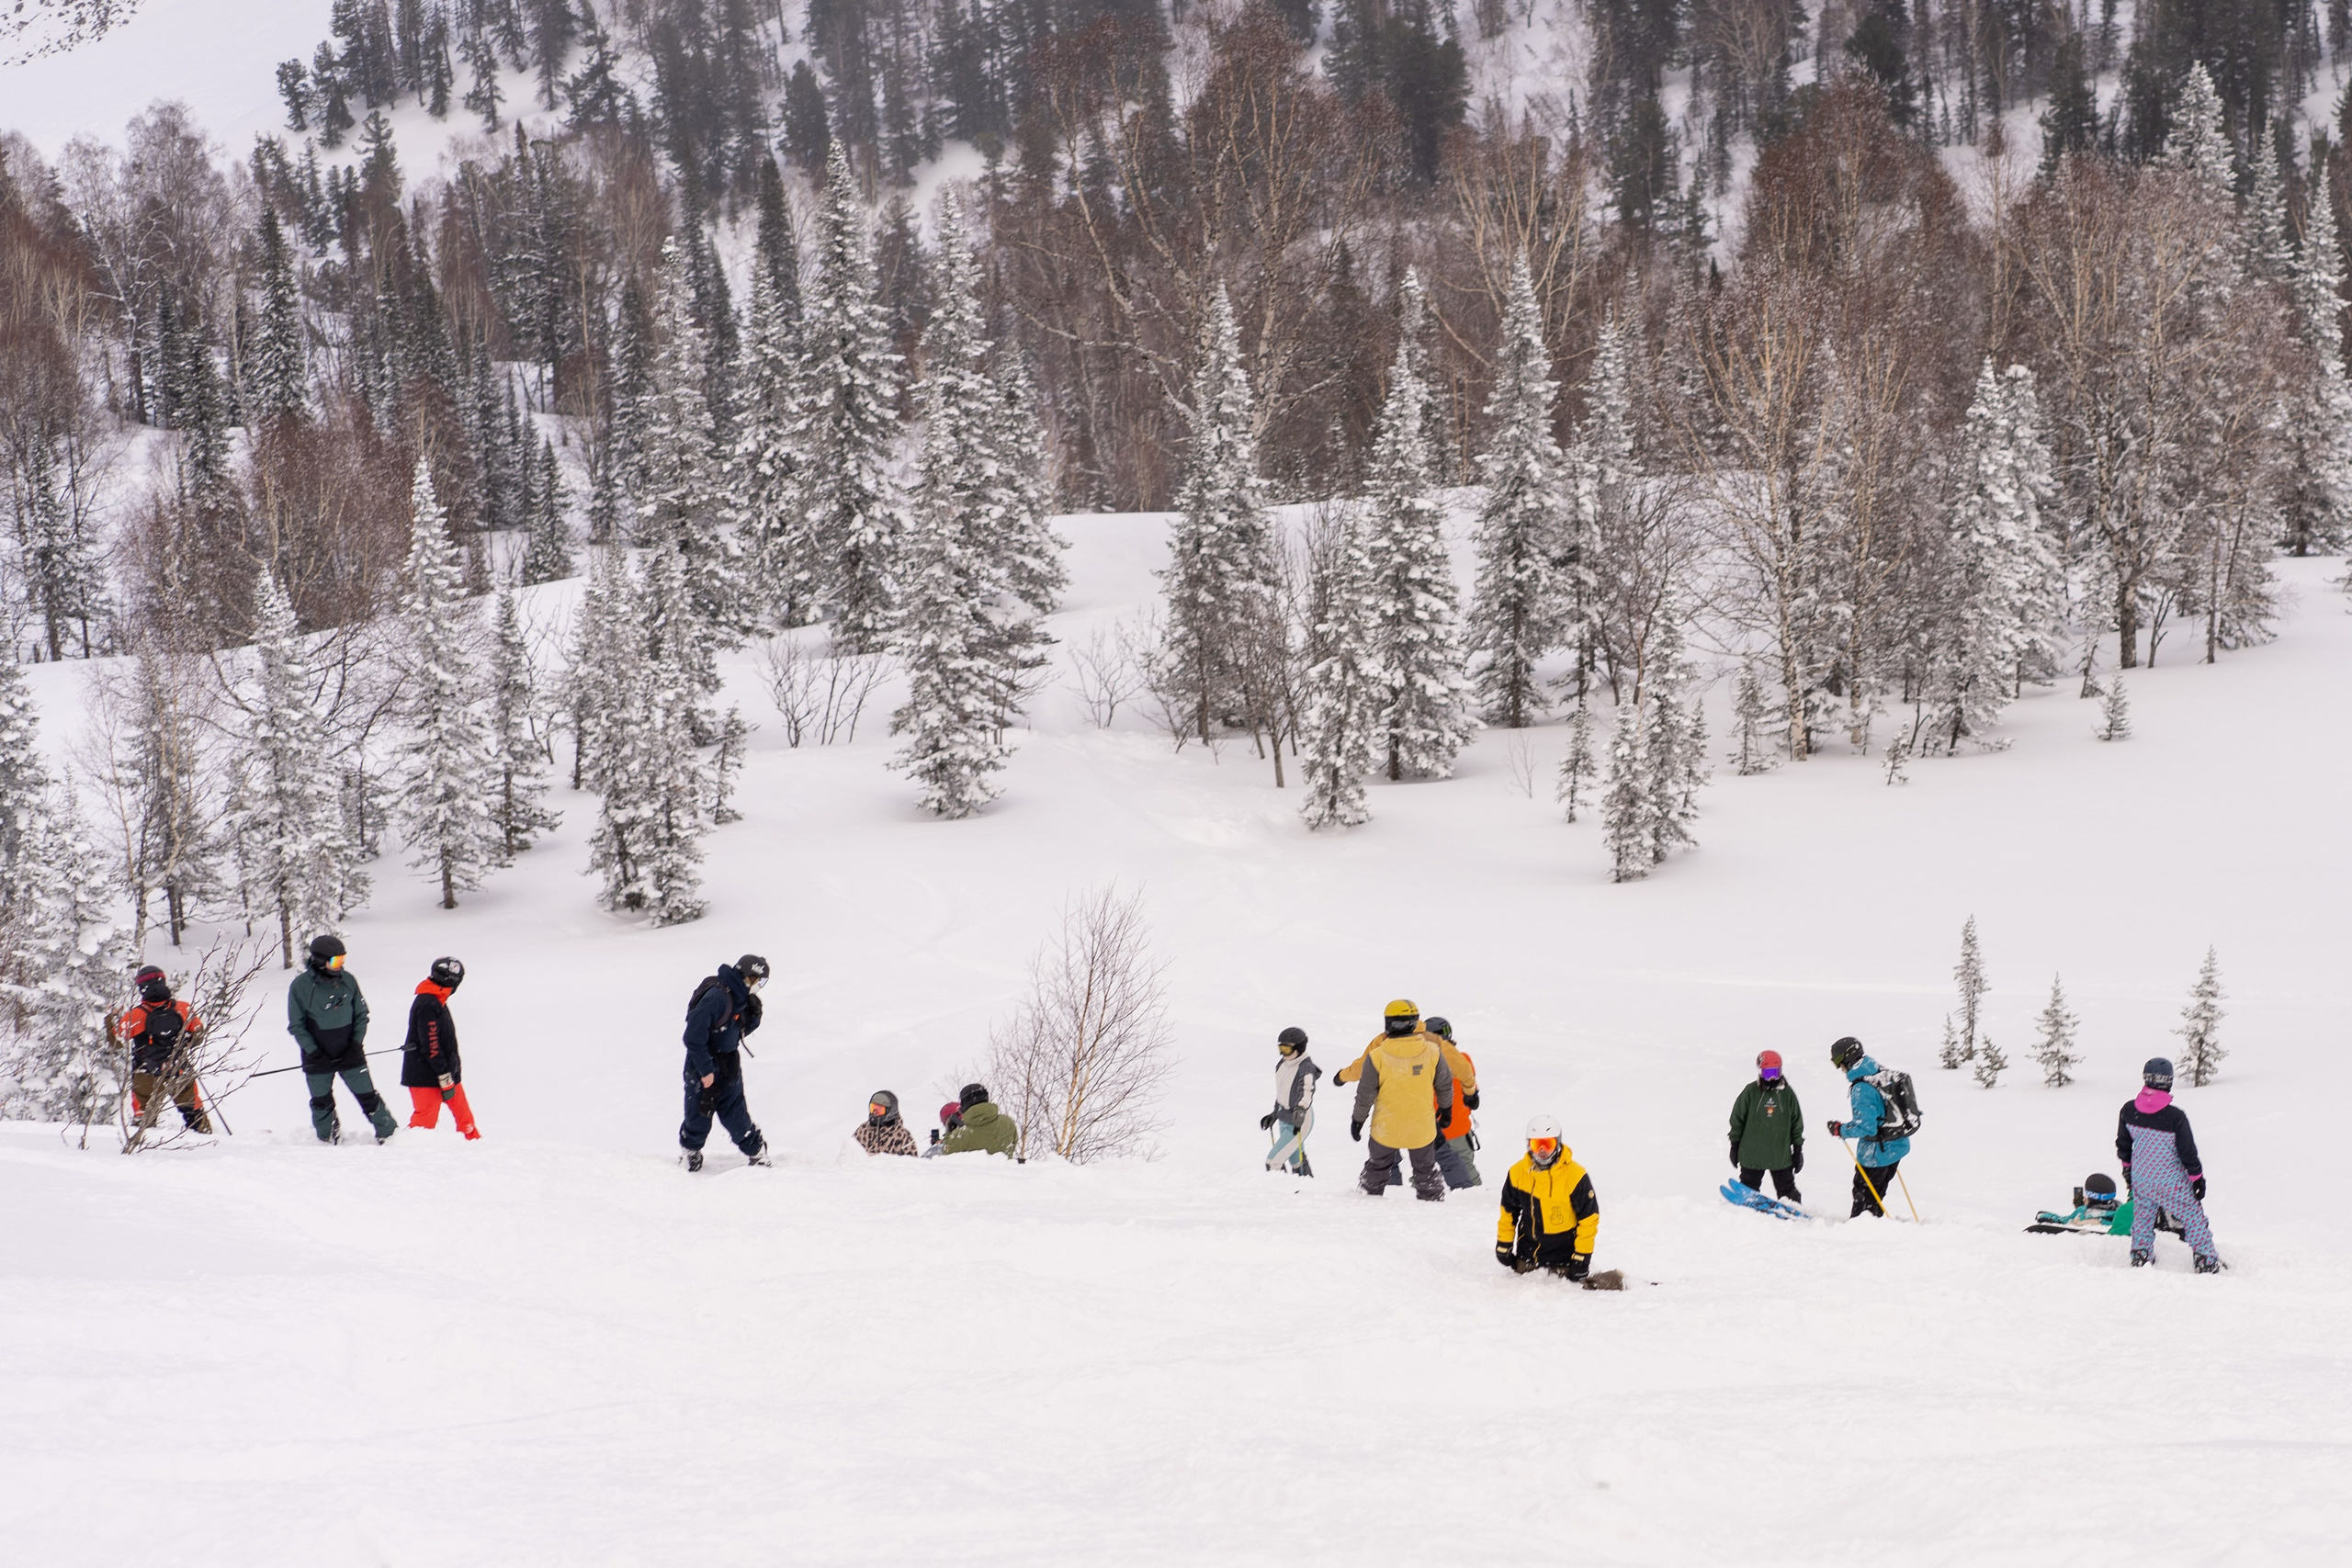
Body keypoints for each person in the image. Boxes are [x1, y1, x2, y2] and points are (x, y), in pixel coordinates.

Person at [2118, 1057, 2223, 1273]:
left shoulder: (2128, 1110)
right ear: (2169, 1081)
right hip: (2170, 1180)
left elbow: (2124, 1144)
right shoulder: (2175, 1117)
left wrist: (2127, 1169)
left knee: (2143, 1216)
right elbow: (2188, 1152)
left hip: (2141, 1176)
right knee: (2192, 1215)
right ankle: (2205, 1259)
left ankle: (2141, 1254)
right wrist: (2197, 1179)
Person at [1341, 998, 1453, 1200]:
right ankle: (1433, 1203)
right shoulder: (1433, 1052)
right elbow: (1444, 1085)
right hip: (1421, 1128)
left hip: (1386, 1128)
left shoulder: (1377, 1056)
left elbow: (1365, 1094)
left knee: (1377, 1167)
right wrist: (1446, 1110)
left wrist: (1358, 1120)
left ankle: (1367, 1200)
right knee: (1425, 1169)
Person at [289, 935, 396, 1144]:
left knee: (369, 1097)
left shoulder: (348, 981)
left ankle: (391, 1136)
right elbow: (296, 1026)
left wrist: (355, 1045)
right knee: (322, 1103)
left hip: (350, 1054)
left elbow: (361, 1015)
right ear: (320, 961)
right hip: (317, 1058)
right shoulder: (300, 987)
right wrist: (314, 1052)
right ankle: (327, 1139)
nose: (340, 965)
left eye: (342, 960)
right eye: (335, 961)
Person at [680, 954, 771, 1171]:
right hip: (703, 1062)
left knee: (735, 1112)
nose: (759, 987)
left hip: (728, 1061)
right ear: (748, 977)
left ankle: (756, 1150)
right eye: (759, 981)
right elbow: (692, 1036)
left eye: (763, 983)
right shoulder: (717, 997)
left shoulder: (741, 996)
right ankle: (691, 1151)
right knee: (699, 1113)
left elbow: (737, 1031)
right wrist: (706, 1070)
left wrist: (754, 1016)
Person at [1495, 1115, 1600, 1279]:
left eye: (1548, 1144)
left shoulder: (1575, 1175)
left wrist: (1582, 1258)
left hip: (1564, 1262)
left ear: (1558, 1143)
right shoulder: (1517, 1173)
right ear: (1529, 1145)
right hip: (1528, 1260)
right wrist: (1504, 1243)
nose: (1542, 1151)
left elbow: (1589, 1219)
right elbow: (1508, 1212)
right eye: (1536, 1145)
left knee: (1575, 1290)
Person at [116, 964, 211, 1134]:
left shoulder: (134, 1016)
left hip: (145, 1073)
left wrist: (110, 1018)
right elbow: (198, 1036)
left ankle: (141, 1147)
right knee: (194, 1113)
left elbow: (116, 1042)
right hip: (179, 1069)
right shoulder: (183, 1008)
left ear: (141, 988)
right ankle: (208, 1140)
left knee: (144, 1121)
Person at [1825, 1036, 1906, 1217]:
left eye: (1838, 1062)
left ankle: (1861, 1230)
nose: (1839, 1068)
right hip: (1896, 1147)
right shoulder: (1879, 1072)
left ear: (1847, 1059)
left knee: (1864, 1202)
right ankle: (1874, 1222)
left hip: (1876, 1154)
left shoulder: (1861, 1088)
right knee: (1876, 1196)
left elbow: (1866, 1128)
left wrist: (1840, 1130)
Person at [401, 956, 479, 1139]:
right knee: (424, 1125)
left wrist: (451, 1070)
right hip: (425, 1075)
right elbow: (432, 1044)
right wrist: (443, 1074)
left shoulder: (438, 999)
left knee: (465, 1119)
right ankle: (407, 1150)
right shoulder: (428, 1003)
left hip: (447, 1072)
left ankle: (475, 1147)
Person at [1729, 1049, 1803, 1203]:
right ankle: (1745, 1210)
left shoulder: (1787, 1094)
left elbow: (1796, 1123)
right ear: (1760, 1072)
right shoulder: (1750, 1091)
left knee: (1788, 1191)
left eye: (1775, 1072)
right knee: (1749, 1187)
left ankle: (1793, 1208)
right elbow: (1737, 1119)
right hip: (1752, 1155)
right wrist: (1734, 1144)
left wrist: (1798, 1149)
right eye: (1768, 1073)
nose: (1772, 1078)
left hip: (1780, 1155)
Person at [1425, 1017, 1481, 1190]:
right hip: (1459, 1130)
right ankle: (1477, 1199)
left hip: (1430, 1131)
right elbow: (1472, 1091)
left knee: (1425, 1173)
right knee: (1467, 1174)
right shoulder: (1463, 1060)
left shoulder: (1422, 1064)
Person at [1261, 1026, 1320, 1175]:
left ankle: (1278, 1187)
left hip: (1299, 1119)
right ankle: (1305, 1183)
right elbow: (1282, 1092)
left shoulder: (1305, 1068)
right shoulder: (1282, 1064)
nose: (1283, 1054)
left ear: (1299, 1048)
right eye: (1280, 1049)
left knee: (1273, 1162)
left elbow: (1307, 1090)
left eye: (1286, 1049)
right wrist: (1275, 1113)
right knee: (1296, 1161)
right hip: (1284, 1116)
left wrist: (1301, 1109)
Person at [939, 1082, 1019, 1156]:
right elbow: (1013, 1145)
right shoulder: (1008, 1123)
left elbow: (947, 1155)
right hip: (1004, 1167)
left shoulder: (960, 1135)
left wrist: (949, 1132)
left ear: (964, 1105)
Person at [854, 1090, 919, 1156]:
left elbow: (912, 1161)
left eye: (880, 1110)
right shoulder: (863, 1130)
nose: (875, 1113)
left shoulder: (903, 1137)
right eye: (873, 1108)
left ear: (890, 1112)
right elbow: (850, 1155)